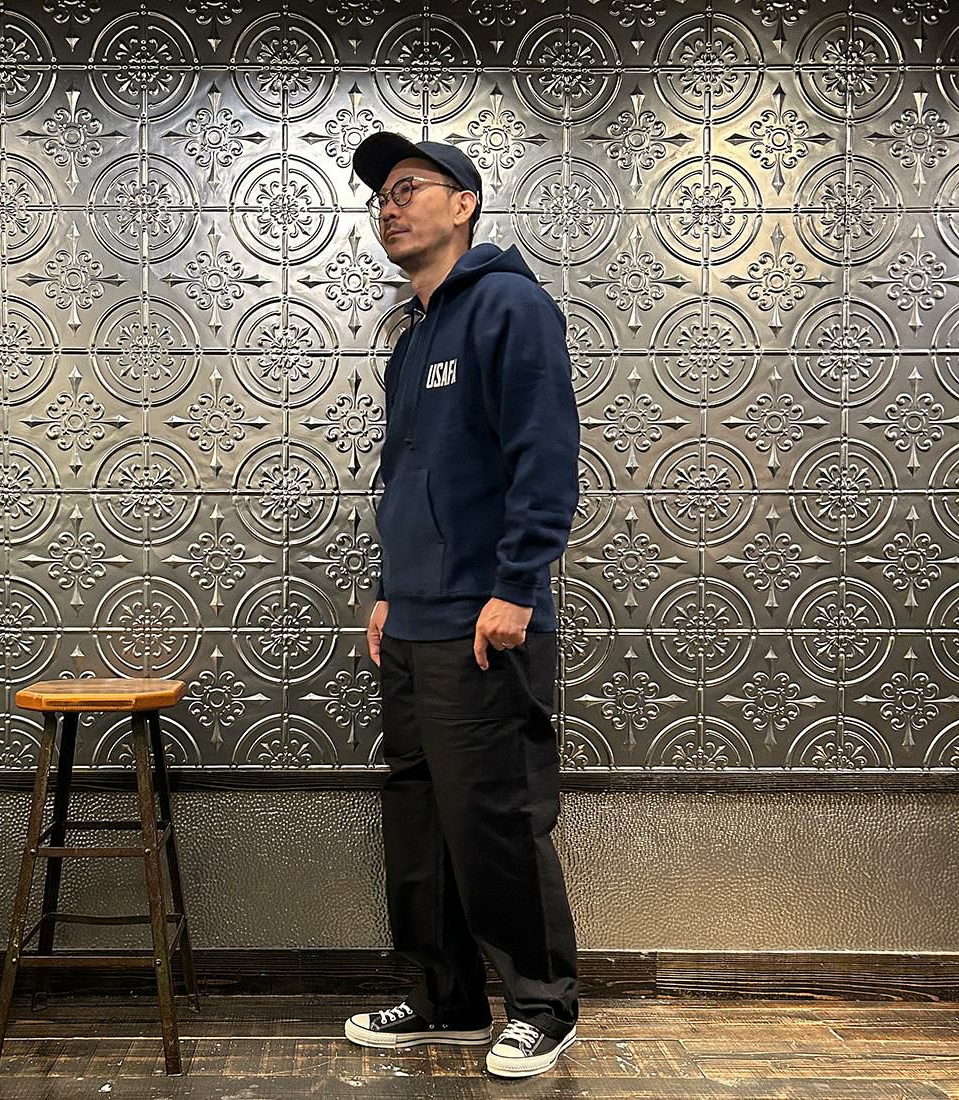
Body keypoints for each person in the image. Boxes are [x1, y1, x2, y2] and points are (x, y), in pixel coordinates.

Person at [341, 132, 581, 1079]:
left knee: (495, 817)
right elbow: (407, 476)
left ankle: (543, 1005)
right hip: (413, 621)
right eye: (382, 197)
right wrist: (387, 592)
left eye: (409, 188)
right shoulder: (413, 337)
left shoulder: (511, 307)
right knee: (421, 817)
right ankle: (445, 997)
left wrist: (517, 587)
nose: (390, 207)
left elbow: (544, 456)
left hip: (487, 621)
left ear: (465, 204)